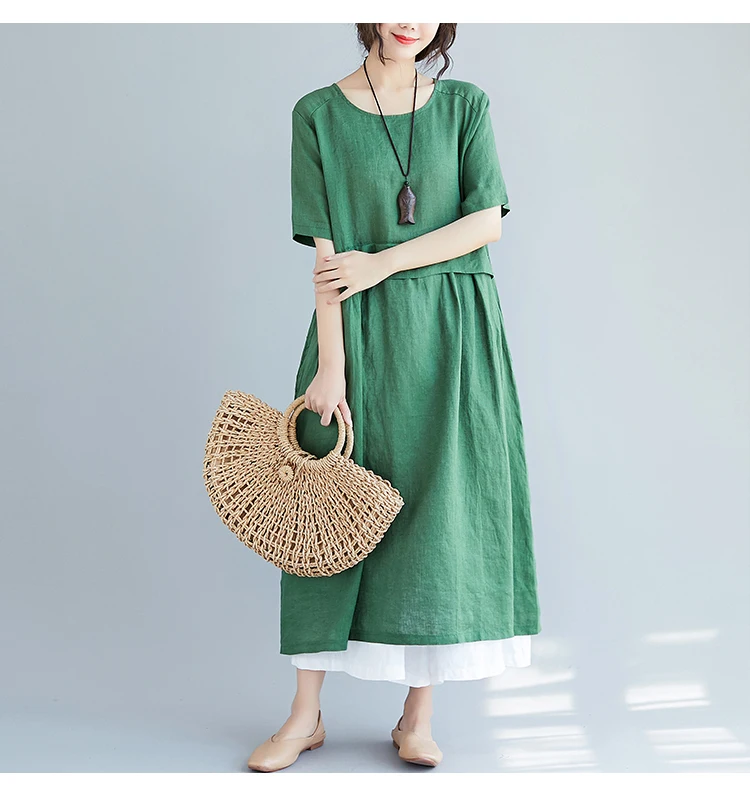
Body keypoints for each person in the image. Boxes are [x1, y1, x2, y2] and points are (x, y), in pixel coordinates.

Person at [247, 22, 541, 772]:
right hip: (357, 331)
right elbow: (325, 256)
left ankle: (417, 715)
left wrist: (382, 263)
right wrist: (331, 366)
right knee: (320, 515)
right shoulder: (317, 113)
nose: (408, 17)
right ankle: (305, 714)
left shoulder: (465, 106)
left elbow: (485, 223)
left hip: (452, 333)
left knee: (435, 512)